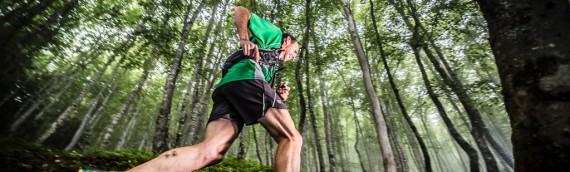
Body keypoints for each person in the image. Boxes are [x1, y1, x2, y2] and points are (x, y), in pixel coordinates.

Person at [127, 6, 302, 172]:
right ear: (286, 41)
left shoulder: (270, 68)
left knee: (210, 152)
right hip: (245, 79)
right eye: (295, 52)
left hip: (231, 87)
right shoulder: (274, 35)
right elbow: (241, 10)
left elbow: (258, 96)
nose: (294, 57)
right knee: (292, 138)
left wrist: (277, 95)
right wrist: (244, 38)